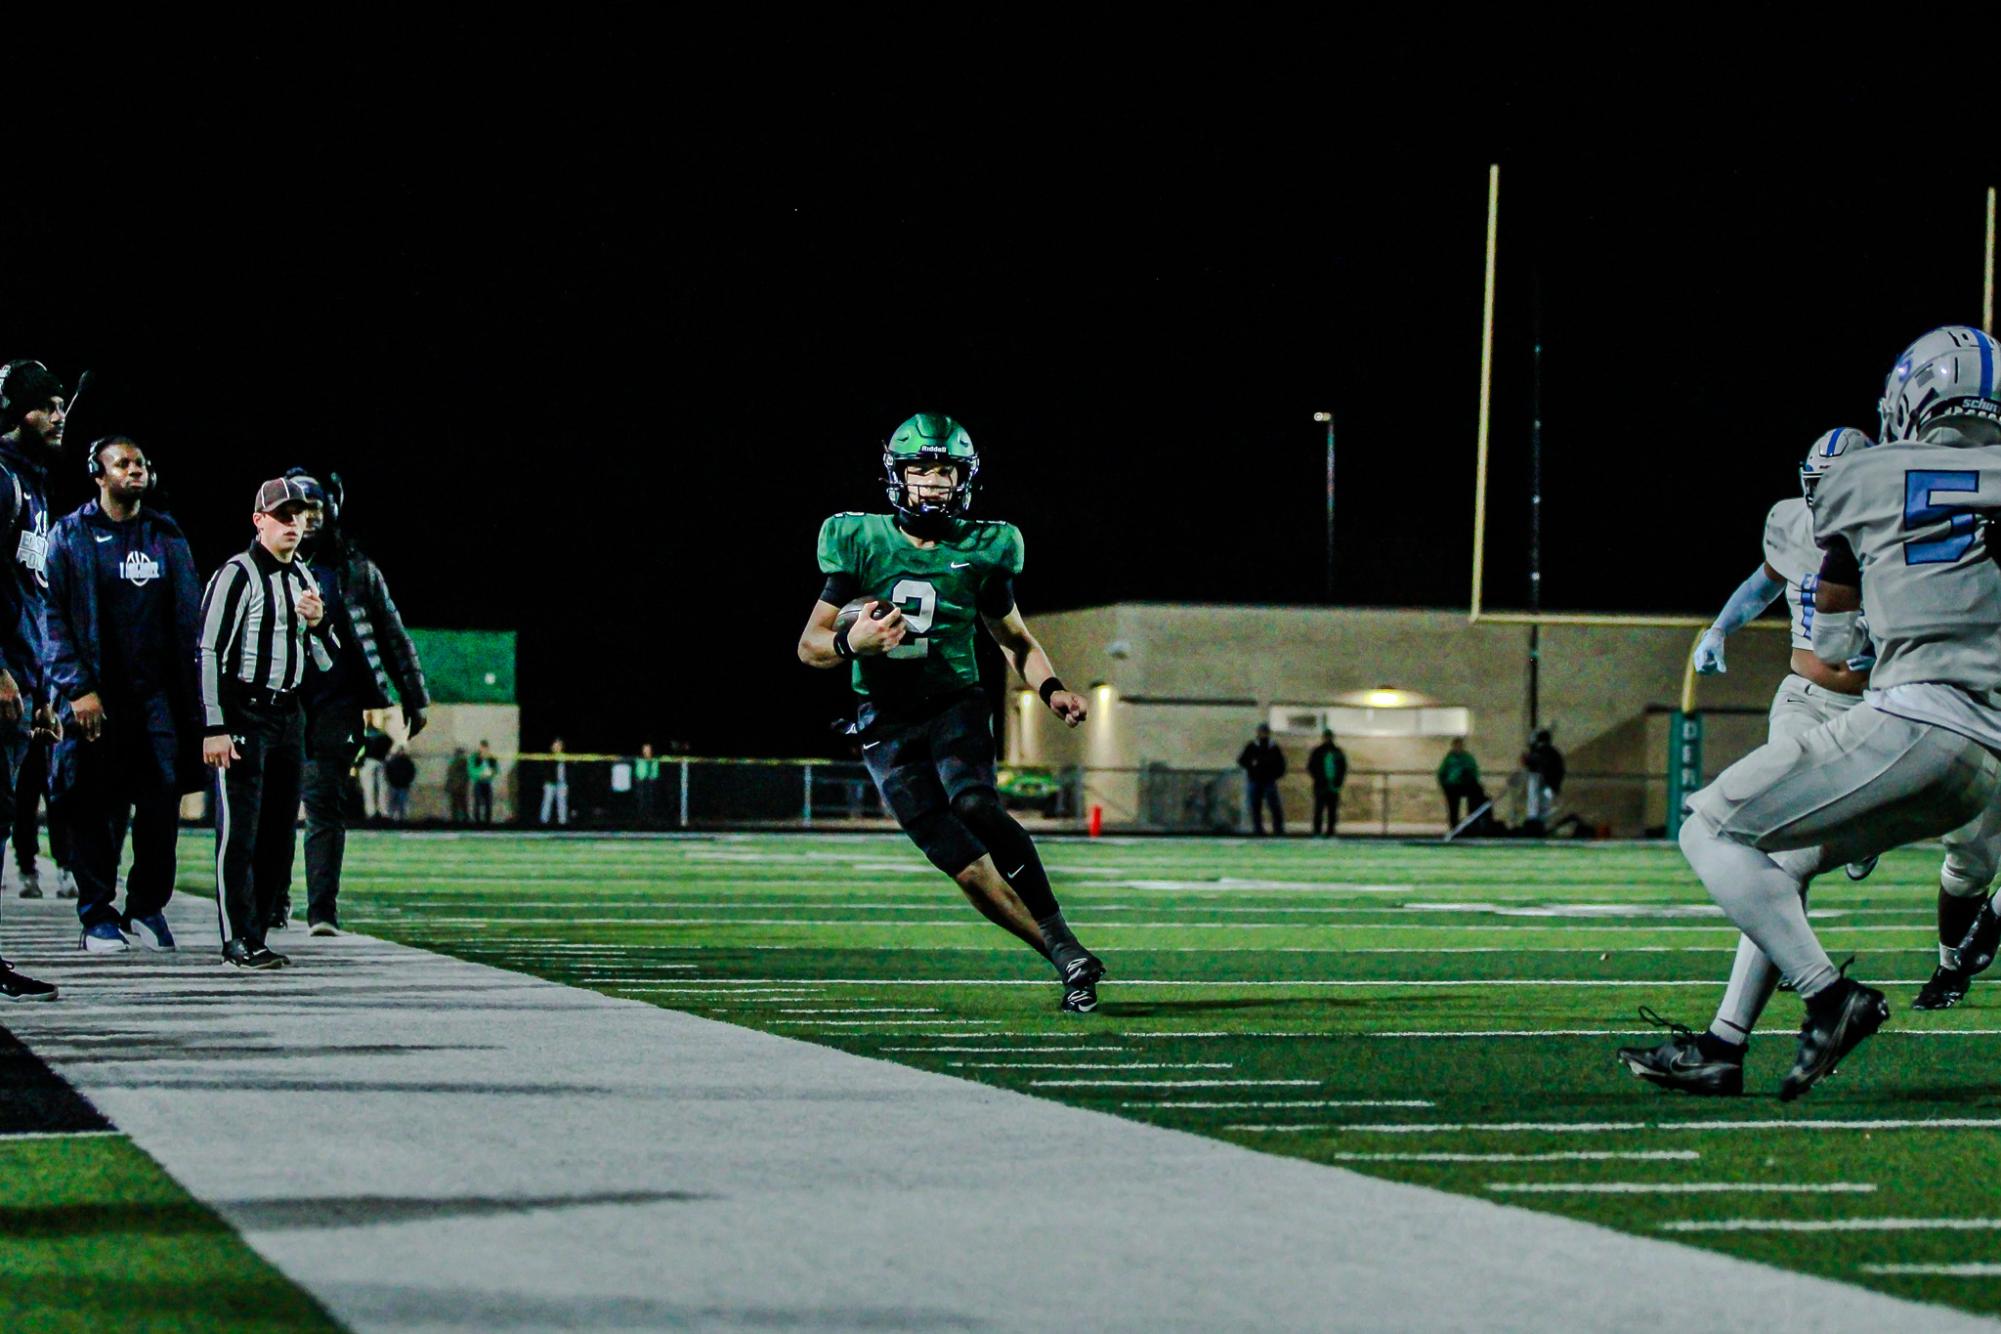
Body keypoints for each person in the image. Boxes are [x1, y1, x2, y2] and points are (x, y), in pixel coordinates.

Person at [1661, 326, 2001, 1100]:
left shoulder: (1865, 474)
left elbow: (1839, 607)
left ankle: (1825, 995)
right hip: (1982, 765)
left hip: (1910, 721)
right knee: (1792, 858)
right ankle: (1724, 1042)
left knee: (1708, 828)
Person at [797, 412, 1105, 1013]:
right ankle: (1066, 956)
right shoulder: (859, 540)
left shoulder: (987, 547)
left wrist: (1053, 690)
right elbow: (808, 644)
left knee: (973, 802)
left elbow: (1014, 639)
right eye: (922, 470)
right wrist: (847, 644)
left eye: (945, 472)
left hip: (954, 704)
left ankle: (1063, 938)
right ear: (898, 475)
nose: (934, 484)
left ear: (964, 479)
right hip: (883, 720)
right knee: (961, 864)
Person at [1621, 430, 1881, 1095]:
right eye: (1814, 490)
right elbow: (1764, 580)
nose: (1823, 506)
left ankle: (1735, 1039)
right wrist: (1719, 627)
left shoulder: (1897, 529)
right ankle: (1733, 1039)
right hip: (1801, 702)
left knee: (1768, 855)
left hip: (1877, 713)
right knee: (1773, 860)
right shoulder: (1795, 523)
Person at [44, 436, 203, 955]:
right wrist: (78, 688)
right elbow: (52, 618)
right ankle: (97, 916)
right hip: (96, 697)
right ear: (98, 473)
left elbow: (187, 620)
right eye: (123, 463)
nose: (135, 470)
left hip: (156, 697)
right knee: (96, 808)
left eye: (140, 462)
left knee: (162, 802)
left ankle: (146, 905)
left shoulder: (165, 533)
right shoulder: (70, 534)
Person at [197, 477, 338, 970]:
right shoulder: (236, 574)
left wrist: (320, 624)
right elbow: (209, 650)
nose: (293, 526)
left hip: (288, 714)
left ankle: (257, 932)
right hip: (245, 714)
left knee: (280, 832)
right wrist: (213, 725)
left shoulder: (304, 576)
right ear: (259, 521)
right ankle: (238, 938)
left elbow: (325, 660)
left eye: (298, 517)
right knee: (240, 831)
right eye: (283, 516)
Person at [290, 470, 430, 935]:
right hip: (275, 702)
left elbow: (393, 635)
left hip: (335, 703)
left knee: (325, 804)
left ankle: (320, 911)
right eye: (297, 506)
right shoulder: (260, 566)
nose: (307, 516)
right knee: (269, 808)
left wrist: (414, 695)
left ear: (331, 510)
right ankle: (268, 902)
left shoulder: (355, 569)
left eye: (315, 506)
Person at [0, 361, 65, 1001]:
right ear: (20, 410)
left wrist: (42, 690)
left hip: (23, 685)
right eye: (48, 404)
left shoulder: (35, 486)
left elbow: (32, 596)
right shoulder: (1, 480)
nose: (59, 414)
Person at [1238, 723, 1286, 836]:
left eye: (1265, 732)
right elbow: (1241, 760)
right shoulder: (1252, 746)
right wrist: (1251, 766)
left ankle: (1278, 829)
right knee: (1256, 806)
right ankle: (1258, 829)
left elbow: (1281, 764)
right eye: (1262, 732)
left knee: (1274, 806)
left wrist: (1275, 774)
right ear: (1258, 733)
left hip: (1269, 780)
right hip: (1255, 780)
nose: (1263, 734)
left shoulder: (1273, 747)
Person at [1519, 729, 1564, 835]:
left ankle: (1536, 830)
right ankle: (1540, 829)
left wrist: (1527, 759)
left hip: (1544, 785)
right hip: (1550, 787)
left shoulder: (1544, 752)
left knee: (1536, 810)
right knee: (1544, 810)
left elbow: (1533, 762)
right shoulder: (1553, 753)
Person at [1437, 737, 1484, 829]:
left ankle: (1472, 822)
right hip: (1452, 786)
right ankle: (1454, 826)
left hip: (1465, 785)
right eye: (1456, 746)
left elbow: (1474, 771)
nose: (1458, 748)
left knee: (1473, 801)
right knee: (1453, 806)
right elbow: (1441, 772)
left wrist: (1470, 779)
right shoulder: (1448, 759)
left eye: (1460, 746)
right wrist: (1444, 784)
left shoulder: (1467, 758)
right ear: (1453, 746)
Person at [1307, 728, 1346, 837]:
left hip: (1331, 785)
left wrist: (1338, 781)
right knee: (1320, 809)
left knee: (1331, 810)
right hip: (1322, 785)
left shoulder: (1335, 752)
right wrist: (1319, 778)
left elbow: (1342, 768)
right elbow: (1311, 767)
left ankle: (1330, 830)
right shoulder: (1321, 752)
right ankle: (1318, 831)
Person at [359, 720, 391, 820]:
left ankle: (371, 812)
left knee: (369, 788)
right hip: (380, 760)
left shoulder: (362, 736)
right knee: (382, 787)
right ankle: (384, 811)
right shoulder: (383, 736)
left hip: (368, 761)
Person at [540, 737, 569, 825]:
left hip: (562, 783)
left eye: (559, 745)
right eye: (556, 745)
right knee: (547, 802)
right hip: (550, 783)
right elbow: (545, 770)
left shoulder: (565, 757)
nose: (557, 747)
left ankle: (562, 821)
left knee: (562, 802)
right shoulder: (548, 757)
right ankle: (544, 821)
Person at [384, 745, 415, 822]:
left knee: (401, 803)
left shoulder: (406, 762)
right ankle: (393, 817)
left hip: (402, 786)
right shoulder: (395, 762)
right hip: (396, 785)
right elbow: (388, 773)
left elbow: (411, 773)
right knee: (394, 803)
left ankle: (400, 818)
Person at [470, 741, 498, 823]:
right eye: (482, 747)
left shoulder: (491, 758)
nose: (484, 749)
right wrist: (479, 775)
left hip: (487, 782)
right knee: (477, 802)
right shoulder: (475, 757)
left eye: (485, 747)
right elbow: (471, 770)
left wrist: (490, 774)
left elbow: (495, 770)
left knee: (488, 803)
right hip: (478, 782)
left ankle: (487, 821)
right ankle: (477, 820)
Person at [634, 742, 660, 824]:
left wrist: (653, 777)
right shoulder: (639, 759)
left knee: (651, 800)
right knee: (641, 800)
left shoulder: (655, 759)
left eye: (648, 749)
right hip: (641, 781)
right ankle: (641, 818)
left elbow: (655, 771)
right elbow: (638, 770)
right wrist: (639, 778)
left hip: (651, 782)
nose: (646, 751)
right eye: (645, 749)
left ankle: (650, 818)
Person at [445, 745, 471, 822]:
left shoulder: (459, 763)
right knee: (460, 804)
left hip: (457, 787)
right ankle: (461, 818)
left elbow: (452, 775)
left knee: (457, 804)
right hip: (458, 787)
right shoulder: (461, 763)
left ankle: (459, 819)